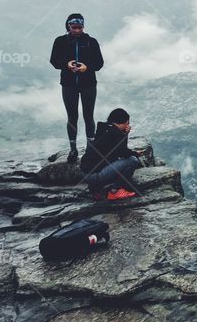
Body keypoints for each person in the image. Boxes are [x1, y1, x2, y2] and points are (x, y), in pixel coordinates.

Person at [49, 13, 104, 163]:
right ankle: (73, 150)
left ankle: (90, 148)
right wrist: (66, 65)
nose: (77, 30)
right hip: (68, 84)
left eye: (80, 27)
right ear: (68, 26)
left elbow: (99, 63)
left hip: (88, 84)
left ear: (83, 26)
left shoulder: (91, 42)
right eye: (74, 27)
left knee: (88, 116)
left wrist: (87, 67)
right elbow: (54, 61)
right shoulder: (60, 41)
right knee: (72, 117)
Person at [80, 108, 146, 200]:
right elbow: (123, 152)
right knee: (132, 160)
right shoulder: (116, 134)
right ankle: (114, 191)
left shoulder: (103, 128)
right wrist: (125, 135)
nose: (128, 125)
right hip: (94, 176)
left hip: (86, 173)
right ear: (122, 123)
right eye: (127, 123)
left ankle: (97, 188)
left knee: (122, 161)